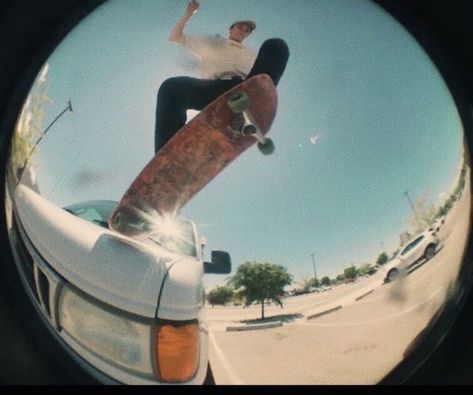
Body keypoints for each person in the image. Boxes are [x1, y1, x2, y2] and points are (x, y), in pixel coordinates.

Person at [154, 0, 289, 153]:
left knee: (276, 45)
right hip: (214, 91)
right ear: (230, 29)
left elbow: (269, 67)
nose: (243, 31)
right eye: (240, 27)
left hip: (245, 91)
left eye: (246, 31)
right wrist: (188, 14)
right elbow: (176, 37)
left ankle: (247, 113)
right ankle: (168, 155)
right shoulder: (213, 44)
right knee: (170, 88)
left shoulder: (251, 54)